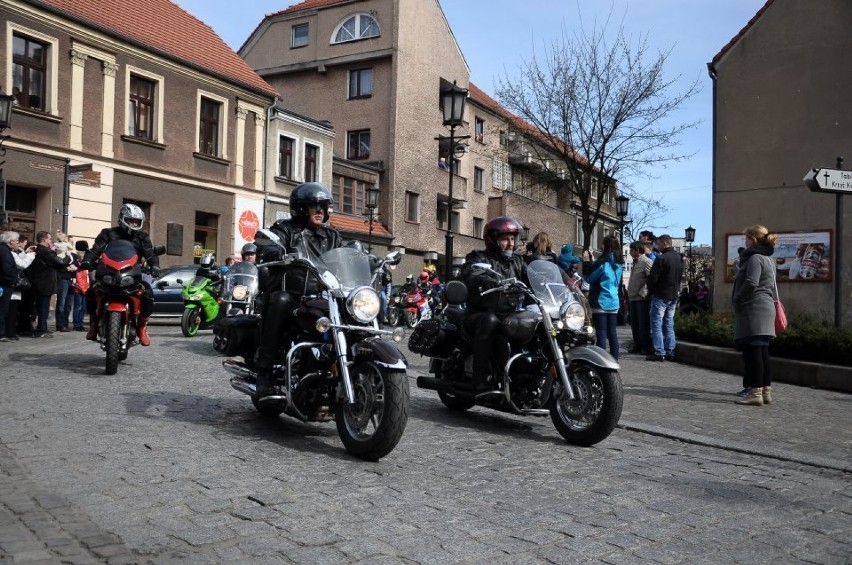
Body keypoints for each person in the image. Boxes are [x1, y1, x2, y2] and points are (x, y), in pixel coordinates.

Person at [253, 182, 342, 397]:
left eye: (324, 206)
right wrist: (273, 248)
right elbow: (269, 241)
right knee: (280, 301)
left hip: (323, 295)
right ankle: (264, 370)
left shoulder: (332, 237)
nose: (321, 211)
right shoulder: (286, 229)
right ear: (301, 208)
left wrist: (368, 260)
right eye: (315, 206)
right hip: (293, 296)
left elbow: (344, 255)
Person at [461, 216, 528, 394]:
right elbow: (472, 271)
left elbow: (534, 274)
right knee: (490, 321)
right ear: (493, 239)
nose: (510, 243)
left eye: (513, 238)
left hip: (509, 314)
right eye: (505, 238)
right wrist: (490, 281)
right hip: (479, 313)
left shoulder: (518, 261)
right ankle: (480, 379)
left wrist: (566, 281)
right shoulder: (479, 256)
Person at [81, 203, 160, 346]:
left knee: (148, 292)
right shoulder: (107, 233)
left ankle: (142, 327)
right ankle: (94, 322)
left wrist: (155, 265)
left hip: (132, 274)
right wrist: (87, 261)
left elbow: (149, 252)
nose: (134, 223)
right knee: (91, 291)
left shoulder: (142, 237)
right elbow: (96, 250)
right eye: (131, 220)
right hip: (109, 272)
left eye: (137, 221)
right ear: (123, 218)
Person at [733, 225, 778, 406]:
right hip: (766, 307)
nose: (745, 242)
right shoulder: (769, 259)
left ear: (752, 240)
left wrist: (738, 298)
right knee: (762, 351)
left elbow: (751, 282)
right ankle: (766, 391)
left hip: (754, 308)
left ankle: (755, 392)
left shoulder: (755, 258)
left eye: (746, 238)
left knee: (753, 353)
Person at [25, 231, 78, 338]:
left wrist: (66, 266)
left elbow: (56, 264)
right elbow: (59, 262)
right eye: (49, 239)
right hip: (43, 283)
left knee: (43, 307)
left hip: (44, 282)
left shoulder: (44, 250)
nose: (51, 241)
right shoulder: (43, 250)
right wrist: (67, 257)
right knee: (43, 307)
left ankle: (42, 328)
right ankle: (41, 329)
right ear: (44, 239)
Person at [583, 235, 624, 359]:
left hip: (600, 301)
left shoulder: (603, 263)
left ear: (605, 246)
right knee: (612, 334)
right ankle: (614, 361)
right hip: (613, 301)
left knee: (601, 334)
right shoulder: (619, 264)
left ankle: (601, 362)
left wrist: (586, 262)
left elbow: (589, 279)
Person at [645, 234, 684, 361]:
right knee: (669, 323)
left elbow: (653, 278)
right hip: (673, 295)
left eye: (659, 243)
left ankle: (659, 351)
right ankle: (670, 351)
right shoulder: (678, 258)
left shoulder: (661, 258)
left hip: (661, 295)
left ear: (664, 243)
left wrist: (651, 289)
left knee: (656, 323)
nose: (658, 246)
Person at [626, 241, 653, 355]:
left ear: (637, 250)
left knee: (643, 324)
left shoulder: (646, 261)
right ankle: (637, 345)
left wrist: (644, 292)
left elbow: (651, 278)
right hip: (633, 298)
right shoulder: (636, 262)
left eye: (632, 250)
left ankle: (645, 347)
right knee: (635, 324)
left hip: (642, 299)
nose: (630, 252)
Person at [0, 232, 19, 341]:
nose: (17, 243)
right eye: (16, 241)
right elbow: (7, 269)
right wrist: (14, 279)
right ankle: (1, 334)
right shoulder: (5, 251)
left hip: (4, 283)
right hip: (4, 284)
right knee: (2, 310)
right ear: (10, 241)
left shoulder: (4, 250)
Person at [72, 240, 90, 332]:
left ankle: (80, 323)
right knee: (78, 307)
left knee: (83, 307)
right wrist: (83, 288)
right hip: (80, 289)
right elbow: (79, 279)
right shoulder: (79, 266)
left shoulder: (85, 266)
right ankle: (76, 324)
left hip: (85, 288)